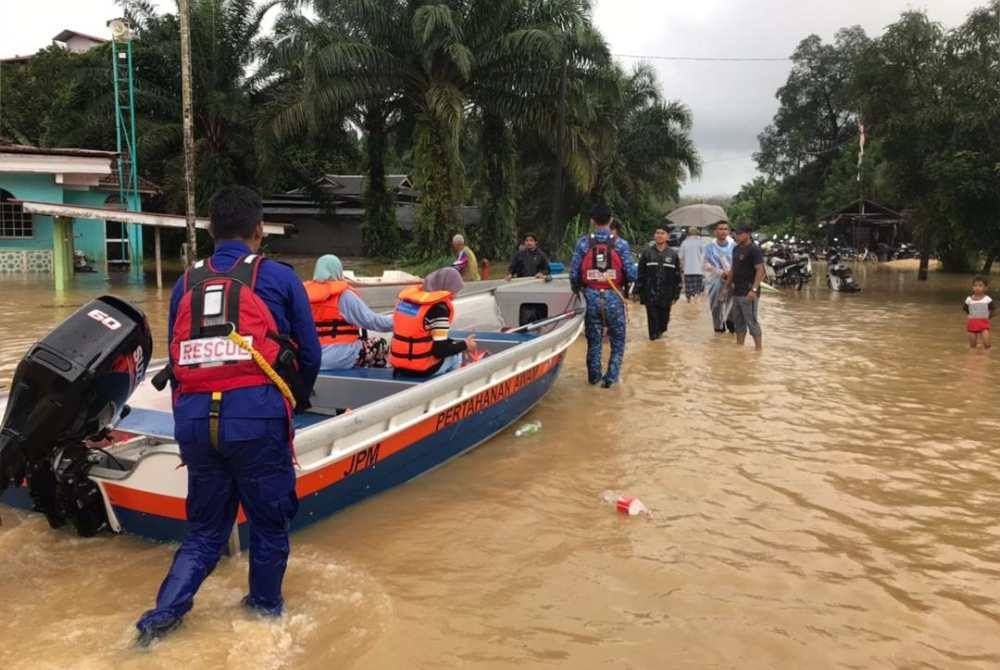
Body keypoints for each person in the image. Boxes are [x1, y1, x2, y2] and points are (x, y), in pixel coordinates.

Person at [135, 186, 322, 645]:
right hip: (256, 418)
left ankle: (159, 622)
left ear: (210, 231)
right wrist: (292, 398)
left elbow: (178, 359)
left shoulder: (186, 283)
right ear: (259, 231)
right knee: (268, 525)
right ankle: (263, 614)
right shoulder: (278, 278)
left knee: (203, 532)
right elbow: (311, 355)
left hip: (196, 422)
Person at [570, 203, 638, 388]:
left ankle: (594, 380)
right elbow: (632, 274)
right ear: (611, 220)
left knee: (594, 341)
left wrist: (579, 290)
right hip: (614, 298)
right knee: (617, 341)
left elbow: (574, 274)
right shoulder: (621, 244)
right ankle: (611, 379)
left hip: (591, 297)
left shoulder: (583, 243)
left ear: (592, 221)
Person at [305, 255, 394, 369]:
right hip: (339, 356)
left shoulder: (304, 294)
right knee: (379, 344)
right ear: (338, 271)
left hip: (312, 357)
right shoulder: (344, 296)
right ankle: (372, 383)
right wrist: (399, 320)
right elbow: (373, 322)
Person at [390, 267, 477, 377]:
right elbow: (439, 351)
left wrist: (454, 342)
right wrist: (465, 345)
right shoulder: (440, 309)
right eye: (455, 290)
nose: (456, 295)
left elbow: (423, 337)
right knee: (457, 356)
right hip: (423, 370)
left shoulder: (410, 303)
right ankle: (451, 388)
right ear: (446, 288)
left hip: (400, 368)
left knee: (454, 346)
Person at [635, 227, 682, 340]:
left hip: (666, 294)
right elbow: (640, 274)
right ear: (654, 236)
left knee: (663, 323)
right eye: (657, 233)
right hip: (650, 293)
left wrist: (676, 294)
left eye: (662, 233)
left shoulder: (673, 254)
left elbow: (677, 276)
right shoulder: (646, 253)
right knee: (653, 322)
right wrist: (638, 291)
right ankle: (654, 342)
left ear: (667, 237)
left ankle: (660, 334)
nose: (659, 235)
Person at [728, 225, 765, 351]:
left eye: (739, 233)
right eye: (735, 234)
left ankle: (759, 349)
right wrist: (727, 288)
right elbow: (733, 269)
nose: (736, 236)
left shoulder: (754, 250)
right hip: (737, 291)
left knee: (752, 321)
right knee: (738, 322)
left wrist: (754, 290)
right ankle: (739, 348)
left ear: (748, 234)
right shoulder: (736, 249)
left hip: (749, 292)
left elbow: (761, 271)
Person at [703, 221, 737, 333]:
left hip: (732, 280)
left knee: (732, 303)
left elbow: (739, 263)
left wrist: (730, 272)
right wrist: (720, 272)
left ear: (729, 231)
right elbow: (705, 264)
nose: (723, 231)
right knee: (716, 305)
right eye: (720, 229)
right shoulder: (709, 248)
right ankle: (718, 328)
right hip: (715, 280)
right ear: (715, 232)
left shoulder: (735, 247)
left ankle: (730, 322)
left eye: (725, 229)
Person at [964, 276, 995, 349]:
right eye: (975, 285)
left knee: (987, 345)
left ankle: (986, 358)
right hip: (972, 325)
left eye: (980, 285)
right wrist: (969, 315)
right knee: (972, 346)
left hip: (984, 325)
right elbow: (965, 308)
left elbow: (994, 310)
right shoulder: (969, 299)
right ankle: (973, 358)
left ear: (985, 288)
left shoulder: (987, 299)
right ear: (972, 287)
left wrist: (988, 316)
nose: (977, 287)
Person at [678, 226, 706, 302]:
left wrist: (681, 267)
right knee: (697, 292)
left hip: (687, 271)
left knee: (689, 292)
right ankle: (696, 306)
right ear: (697, 233)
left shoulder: (684, 243)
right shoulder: (701, 243)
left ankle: (689, 304)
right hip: (699, 271)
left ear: (688, 233)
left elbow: (680, 257)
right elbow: (704, 256)